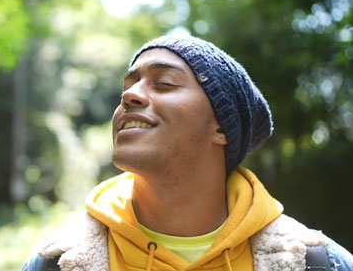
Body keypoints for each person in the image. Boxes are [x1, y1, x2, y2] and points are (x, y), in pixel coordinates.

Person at [21, 35, 353, 271]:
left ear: (221, 128)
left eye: (164, 83)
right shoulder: (54, 262)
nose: (130, 96)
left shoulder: (318, 263)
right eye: (129, 85)